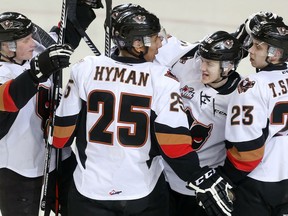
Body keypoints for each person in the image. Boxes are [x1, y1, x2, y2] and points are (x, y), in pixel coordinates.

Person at [51, 3, 234, 216]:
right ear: (138, 44)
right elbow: (174, 146)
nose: (160, 43)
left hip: (89, 192)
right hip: (142, 194)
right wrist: (199, 176)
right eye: (155, 38)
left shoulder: (85, 68)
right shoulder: (163, 80)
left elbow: (60, 137)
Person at [0, 1, 102, 215]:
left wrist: (81, 5)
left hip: (59, 157)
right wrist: (38, 71)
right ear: (6, 46)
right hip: (19, 171)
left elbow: (64, 36)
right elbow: (9, 99)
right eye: (26, 40)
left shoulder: (34, 51)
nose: (33, 43)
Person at [157, 31, 243, 216]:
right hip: (163, 176)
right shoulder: (187, 65)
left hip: (203, 185)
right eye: (202, 60)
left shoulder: (241, 96)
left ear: (228, 66)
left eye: (210, 63)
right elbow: (161, 39)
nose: (202, 67)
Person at [222, 12, 288, 216]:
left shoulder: (252, 86)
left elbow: (247, 153)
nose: (250, 50)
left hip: (258, 183)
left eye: (258, 46)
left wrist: (224, 178)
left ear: (275, 53)